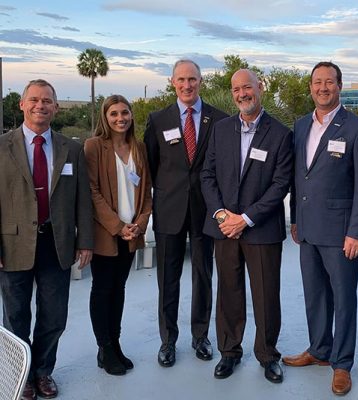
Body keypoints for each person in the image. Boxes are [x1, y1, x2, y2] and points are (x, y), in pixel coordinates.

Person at [282, 61, 358, 395]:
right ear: (310, 87)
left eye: (329, 82)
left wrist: (356, 232)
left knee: (343, 298)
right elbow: (298, 178)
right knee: (314, 295)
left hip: (340, 232)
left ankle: (341, 364)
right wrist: (295, 218)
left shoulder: (357, 128)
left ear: (339, 86)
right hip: (307, 229)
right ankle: (320, 350)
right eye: (317, 82)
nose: (323, 88)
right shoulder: (300, 125)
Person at [0, 79, 93, 400]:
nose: (41, 105)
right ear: (22, 105)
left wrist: (86, 241)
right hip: (12, 245)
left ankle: (42, 372)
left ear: (55, 107)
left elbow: (83, 200)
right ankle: (20, 375)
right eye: (35, 100)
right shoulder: (2, 147)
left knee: (54, 314)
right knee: (15, 315)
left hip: (57, 243)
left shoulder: (72, 149)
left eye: (48, 101)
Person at [200, 69, 293, 383]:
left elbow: (280, 184)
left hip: (261, 229)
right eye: (237, 89)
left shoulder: (280, 134)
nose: (242, 94)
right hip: (225, 228)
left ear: (260, 88)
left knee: (266, 294)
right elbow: (207, 176)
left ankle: (268, 355)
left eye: (248, 87)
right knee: (228, 291)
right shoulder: (221, 130)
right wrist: (222, 216)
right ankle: (229, 352)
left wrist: (247, 218)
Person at [144, 59, 228, 367]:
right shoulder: (157, 119)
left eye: (192, 79)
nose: (187, 85)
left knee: (203, 275)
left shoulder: (219, 120)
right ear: (172, 82)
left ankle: (201, 336)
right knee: (168, 280)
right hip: (169, 211)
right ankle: (168, 340)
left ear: (200, 81)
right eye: (181, 80)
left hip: (206, 211)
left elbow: (222, 167)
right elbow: (151, 167)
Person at [84, 95, 152, 376]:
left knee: (119, 289)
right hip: (106, 233)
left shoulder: (139, 147)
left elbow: (146, 192)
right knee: (102, 290)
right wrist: (117, 226)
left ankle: (115, 343)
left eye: (125, 112)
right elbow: (92, 192)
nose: (120, 118)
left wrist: (139, 223)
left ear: (132, 116)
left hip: (131, 234)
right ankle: (104, 348)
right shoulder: (93, 147)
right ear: (105, 117)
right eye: (114, 114)